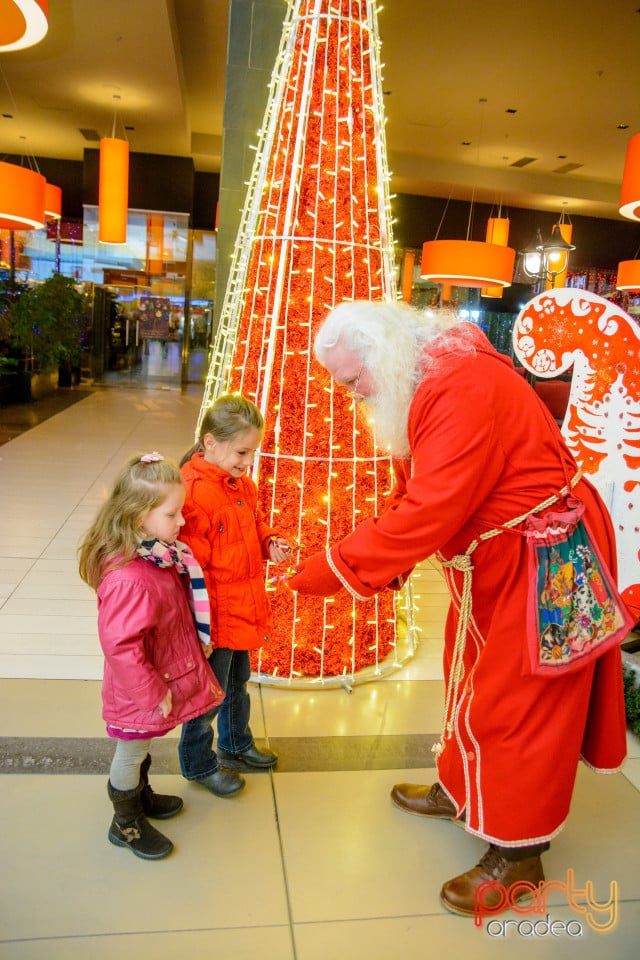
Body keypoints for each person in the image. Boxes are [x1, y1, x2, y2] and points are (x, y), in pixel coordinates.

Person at [286, 299, 629, 918]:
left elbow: (431, 508)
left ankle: (520, 854)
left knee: (521, 705)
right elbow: (417, 485)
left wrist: (336, 568)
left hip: (544, 559)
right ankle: (464, 788)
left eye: (351, 379)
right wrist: (379, 556)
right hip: (499, 558)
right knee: (467, 676)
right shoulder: (423, 374)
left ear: (382, 357)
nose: (349, 393)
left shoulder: (460, 382)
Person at [78, 452, 224, 860]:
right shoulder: (130, 577)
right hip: (139, 688)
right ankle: (124, 823)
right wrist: (150, 690)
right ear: (138, 516)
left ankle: (140, 798)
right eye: (173, 514)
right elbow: (121, 646)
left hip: (154, 678)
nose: (182, 523)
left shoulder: (157, 555)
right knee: (131, 751)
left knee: (141, 748)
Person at [178, 394, 291, 797]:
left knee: (238, 682)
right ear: (211, 443)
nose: (247, 461)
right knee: (208, 694)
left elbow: (254, 525)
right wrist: (200, 630)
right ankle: (198, 762)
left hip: (241, 605)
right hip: (215, 617)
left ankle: (235, 743)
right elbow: (192, 568)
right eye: (242, 451)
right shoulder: (194, 495)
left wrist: (269, 540)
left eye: (252, 452)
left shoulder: (241, 485)